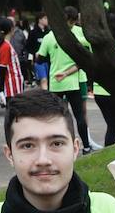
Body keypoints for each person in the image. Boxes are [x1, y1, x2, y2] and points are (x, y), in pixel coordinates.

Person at [36, 8, 92, 151]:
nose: (72, 24)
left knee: (58, 116)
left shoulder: (50, 36)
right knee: (78, 115)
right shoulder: (76, 36)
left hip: (57, 82)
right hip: (71, 81)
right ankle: (85, 147)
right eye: (71, 21)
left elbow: (40, 58)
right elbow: (87, 52)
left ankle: (60, 145)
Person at [90, 14, 115, 147]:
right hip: (114, 93)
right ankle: (108, 151)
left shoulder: (96, 47)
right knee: (113, 127)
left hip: (99, 92)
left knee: (110, 125)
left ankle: (109, 149)